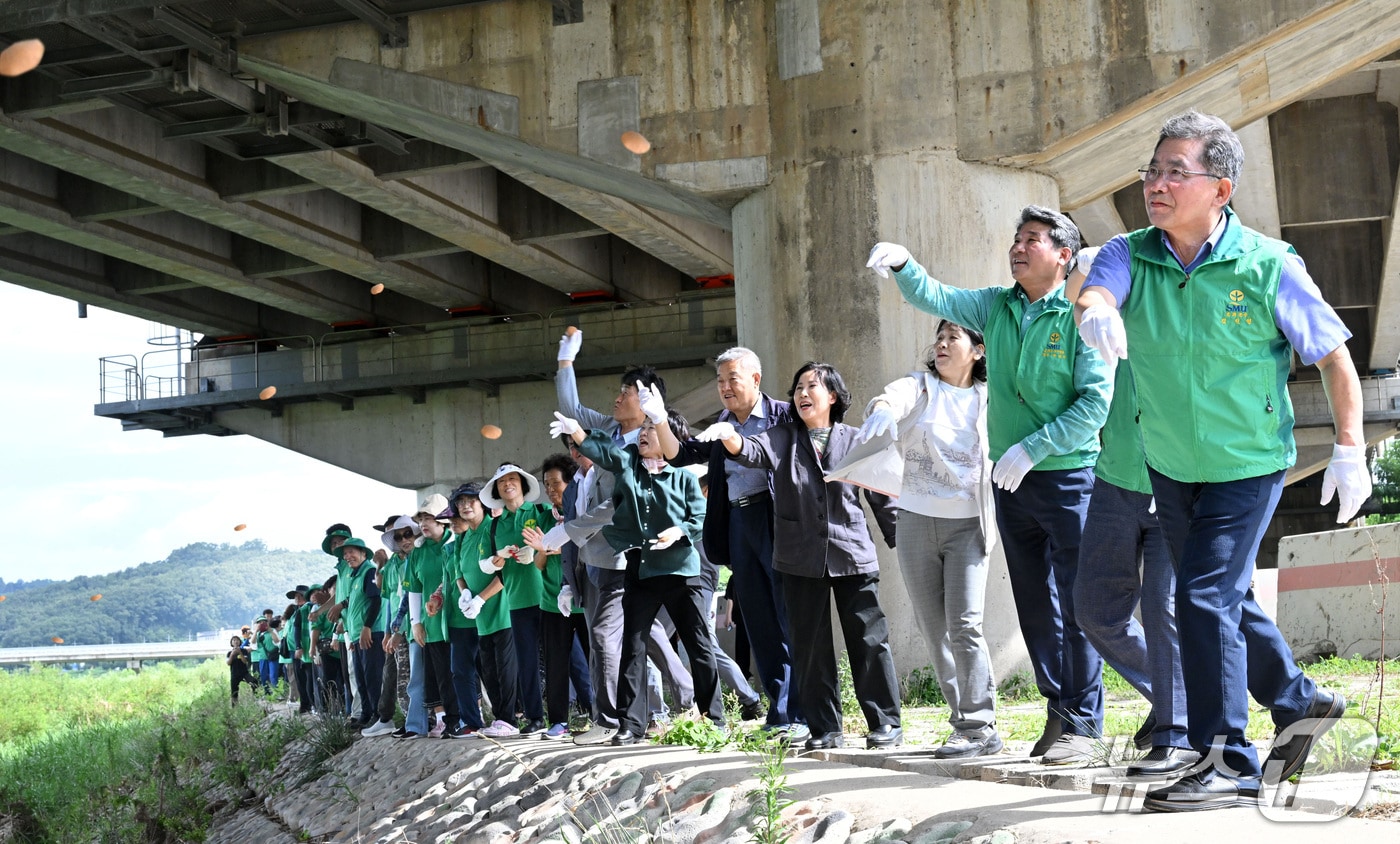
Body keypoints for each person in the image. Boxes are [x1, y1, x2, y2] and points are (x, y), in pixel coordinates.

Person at [1075, 110, 1366, 811]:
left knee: (1199, 598)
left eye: (1178, 171)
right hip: (1171, 463)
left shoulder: (1268, 265)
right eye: (1153, 169)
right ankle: (1300, 702)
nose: (1158, 183)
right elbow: (1096, 288)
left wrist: (1352, 449)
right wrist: (1094, 311)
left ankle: (1225, 761)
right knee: (1223, 598)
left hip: (1248, 462)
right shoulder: (1130, 252)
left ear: (1221, 189)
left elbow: (1333, 357)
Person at [868, 206, 1112, 763]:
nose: (1018, 247)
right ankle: (1059, 710)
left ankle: (1085, 722)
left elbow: (1095, 402)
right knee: (1034, 604)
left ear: (1063, 255)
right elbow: (938, 297)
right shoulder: (996, 306)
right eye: (1016, 238)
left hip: (1067, 477)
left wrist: (1035, 446)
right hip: (1011, 485)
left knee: (1077, 601)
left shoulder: (1079, 316)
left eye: (1032, 240)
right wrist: (906, 265)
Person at [692, 363, 902, 750]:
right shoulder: (782, 437)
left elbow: (883, 495)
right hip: (798, 558)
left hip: (850, 552)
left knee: (869, 639)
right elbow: (751, 452)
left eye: (812, 386)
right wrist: (730, 438)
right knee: (809, 645)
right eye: (797, 387)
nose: (802, 394)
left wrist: (900, 541)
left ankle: (885, 722)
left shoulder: (856, 438)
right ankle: (825, 728)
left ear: (833, 396)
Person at [828, 320, 1001, 758]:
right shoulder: (921, 387)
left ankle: (979, 723)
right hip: (916, 523)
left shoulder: (988, 397)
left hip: (968, 524)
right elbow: (892, 396)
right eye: (938, 339)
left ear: (978, 350)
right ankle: (964, 722)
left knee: (965, 624)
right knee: (934, 629)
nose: (942, 345)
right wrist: (883, 409)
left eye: (953, 339)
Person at [1063, 252, 1190, 777]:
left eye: (1087, 290)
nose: (1081, 302)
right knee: (1094, 609)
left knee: (1162, 608)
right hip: (1114, 484)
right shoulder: (1085, 336)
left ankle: (1178, 733)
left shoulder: (1160, 324)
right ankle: (1173, 693)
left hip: (1172, 484)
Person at [550, 406, 725, 746]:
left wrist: (679, 531)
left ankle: (713, 719)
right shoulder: (630, 467)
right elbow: (606, 453)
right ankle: (631, 725)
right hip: (640, 568)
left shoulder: (685, 476)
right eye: (643, 427)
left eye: (651, 428)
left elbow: (699, 518)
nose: (643, 433)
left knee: (699, 646)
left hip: (680, 571)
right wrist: (578, 433)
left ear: (671, 440)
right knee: (633, 645)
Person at [656, 346, 803, 738]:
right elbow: (681, 455)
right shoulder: (722, 422)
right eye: (719, 381)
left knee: (787, 614)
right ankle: (780, 709)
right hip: (738, 520)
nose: (725, 388)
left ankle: (802, 710)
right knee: (757, 621)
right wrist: (658, 421)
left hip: (775, 520)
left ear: (755, 379)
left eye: (732, 379)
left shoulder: (782, 415)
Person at [523, 454, 594, 739]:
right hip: (552, 602)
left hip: (585, 599)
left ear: (571, 482)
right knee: (555, 663)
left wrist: (552, 543)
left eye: (556, 483)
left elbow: (584, 547)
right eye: (547, 485)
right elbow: (538, 565)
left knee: (596, 660)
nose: (551, 490)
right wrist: (542, 549)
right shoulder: (542, 516)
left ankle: (602, 716)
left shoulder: (584, 510)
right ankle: (558, 721)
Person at [479, 463, 551, 734]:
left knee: (566, 659)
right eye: (501, 482)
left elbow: (558, 542)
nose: (507, 484)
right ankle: (534, 718)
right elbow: (486, 563)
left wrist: (537, 550)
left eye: (512, 479)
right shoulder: (496, 524)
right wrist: (497, 560)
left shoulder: (541, 511)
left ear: (522, 484)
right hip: (517, 601)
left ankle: (580, 713)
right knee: (527, 663)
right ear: (496, 490)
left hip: (550, 597)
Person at [451, 481, 521, 739]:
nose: (465, 506)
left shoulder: (493, 528)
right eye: (460, 502)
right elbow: (460, 572)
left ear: (483, 502)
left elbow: (505, 572)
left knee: (505, 669)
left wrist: (480, 597)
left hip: (502, 612)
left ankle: (510, 718)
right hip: (481, 619)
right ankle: (501, 718)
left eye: (471, 500)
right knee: (488, 670)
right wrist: (465, 593)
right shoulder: (463, 537)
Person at [406, 495, 470, 738]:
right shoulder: (418, 551)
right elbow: (413, 588)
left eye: (429, 517)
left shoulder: (456, 542)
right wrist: (416, 623)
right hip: (432, 622)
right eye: (421, 518)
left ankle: (470, 716)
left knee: (464, 669)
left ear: (443, 521)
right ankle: (447, 720)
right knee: (441, 673)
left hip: (459, 617)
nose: (424, 523)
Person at [363, 518, 413, 737]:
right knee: (393, 673)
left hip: (411, 626)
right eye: (393, 535)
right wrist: (387, 632)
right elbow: (388, 598)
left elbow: (409, 596)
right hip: (394, 628)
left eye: (403, 533)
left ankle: (416, 719)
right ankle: (389, 718)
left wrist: (398, 630)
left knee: (407, 676)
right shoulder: (392, 564)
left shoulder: (411, 558)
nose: (398, 538)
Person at [331, 537, 385, 728]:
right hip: (356, 635)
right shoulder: (354, 576)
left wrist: (367, 627)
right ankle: (367, 714)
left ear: (363, 553)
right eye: (345, 554)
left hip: (371, 633)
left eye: (352, 552)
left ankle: (380, 717)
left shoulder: (369, 570)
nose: (348, 556)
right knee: (361, 679)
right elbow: (354, 604)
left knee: (373, 677)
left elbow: (376, 600)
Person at [286, 585, 315, 714]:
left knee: (307, 677)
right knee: (299, 678)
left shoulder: (308, 609)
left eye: (299, 596)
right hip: (294, 650)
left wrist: (300, 646)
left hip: (305, 649)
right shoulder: (295, 612)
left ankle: (309, 704)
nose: (297, 599)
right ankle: (304, 704)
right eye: (295, 597)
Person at [227, 634, 255, 706]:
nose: (236, 642)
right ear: (231, 643)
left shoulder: (244, 651)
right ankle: (235, 707)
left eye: (237, 640)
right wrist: (232, 655)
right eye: (234, 640)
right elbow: (228, 663)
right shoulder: (229, 653)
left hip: (244, 673)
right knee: (234, 691)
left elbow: (245, 661)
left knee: (254, 682)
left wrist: (240, 652)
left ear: (240, 642)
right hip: (234, 674)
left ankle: (256, 699)